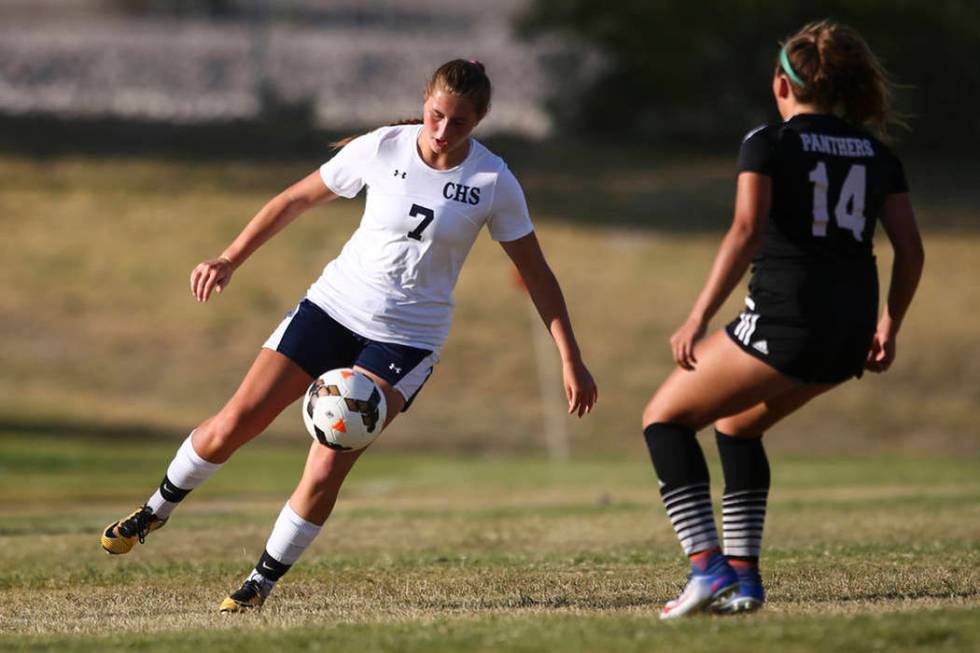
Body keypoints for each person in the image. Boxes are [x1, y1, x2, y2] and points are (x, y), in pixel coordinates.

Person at [99, 59, 598, 613]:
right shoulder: (381, 147)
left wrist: (569, 357)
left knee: (328, 457)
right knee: (234, 423)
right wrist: (229, 257)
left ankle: (258, 585)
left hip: (405, 342)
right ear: (424, 102)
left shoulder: (493, 182)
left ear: (479, 120)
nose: (442, 131)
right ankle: (153, 511)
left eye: (459, 123)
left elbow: (538, 273)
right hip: (331, 308)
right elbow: (295, 199)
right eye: (436, 115)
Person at [640, 21, 924, 619]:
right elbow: (911, 249)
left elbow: (746, 230)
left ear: (781, 82)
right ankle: (743, 583)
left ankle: (707, 570)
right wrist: (889, 324)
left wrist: (697, 317)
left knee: (663, 420)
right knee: (738, 428)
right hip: (850, 332)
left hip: (786, 319)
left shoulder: (768, 141)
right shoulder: (877, 152)